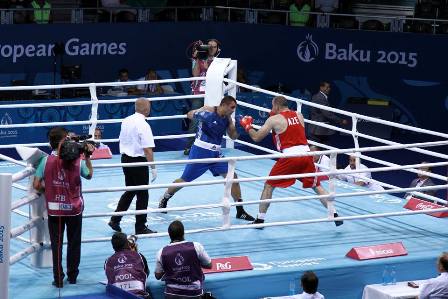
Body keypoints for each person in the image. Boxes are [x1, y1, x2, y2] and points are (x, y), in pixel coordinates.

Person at [239, 96, 343, 226]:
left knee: (269, 186)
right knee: (316, 186)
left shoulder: (273, 119)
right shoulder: (299, 115)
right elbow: (291, 129)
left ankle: (260, 220)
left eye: (272, 106)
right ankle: (335, 214)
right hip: (306, 156)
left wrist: (248, 127)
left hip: (290, 158)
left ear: (276, 106)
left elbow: (256, 138)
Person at [158, 96, 254, 221]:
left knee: (232, 176)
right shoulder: (208, 111)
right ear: (224, 105)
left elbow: (233, 136)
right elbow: (189, 115)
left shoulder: (228, 118)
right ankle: (165, 197)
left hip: (216, 153)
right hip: (200, 151)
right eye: (232, 107)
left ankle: (240, 211)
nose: (233, 110)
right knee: (184, 180)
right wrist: (200, 112)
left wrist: (242, 127)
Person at [33, 126, 94, 287]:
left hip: (54, 210)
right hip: (74, 209)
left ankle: (58, 279)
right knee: (74, 243)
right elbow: (89, 175)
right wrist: (88, 157)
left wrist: (49, 191)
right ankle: (72, 276)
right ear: (65, 140)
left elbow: (36, 184)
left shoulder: (44, 161)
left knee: (56, 245)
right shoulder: (77, 160)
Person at [108, 98, 157, 235]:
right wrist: (153, 167)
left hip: (125, 159)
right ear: (147, 109)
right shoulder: (144, 124)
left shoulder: (126, 120)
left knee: (130, 190)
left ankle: (115, 220)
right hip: (138, 161)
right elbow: (147, 149)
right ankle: (140, 227)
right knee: (143, 194)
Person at [154, 220, 212, 299]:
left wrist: (169, 266)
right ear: (183, 233)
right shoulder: (196, 246)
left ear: (169, 235)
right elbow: (209, 265)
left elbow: (157, 276)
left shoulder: (161, 252)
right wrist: (193, 262)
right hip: (194, 293)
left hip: (172, 293)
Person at [184, 39, 220, 155]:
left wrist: (208, 67)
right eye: (209, 46)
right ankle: (189, 147)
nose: (211, 48)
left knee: (212, 121)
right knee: (194, 120)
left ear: (217, 49)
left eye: (214, 47)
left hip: (212, 95)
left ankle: (212, 147)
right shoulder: (199, 58)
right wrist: (197, 59)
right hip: (199, 93)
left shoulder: (219, 62)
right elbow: (195, 75)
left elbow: (218, 76)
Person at [104, 232, 152, 299]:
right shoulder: (139, 256)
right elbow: (146, 274)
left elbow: (110, 277)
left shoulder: (108, 261)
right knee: (148, 290)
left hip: (118, 297)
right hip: (138, 296)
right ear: (127, 243)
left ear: (113, 247)